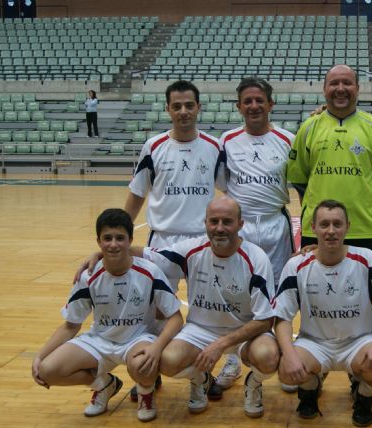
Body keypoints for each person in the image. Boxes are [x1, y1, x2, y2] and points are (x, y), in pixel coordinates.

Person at [32, 208, 183, 422]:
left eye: (120, 238)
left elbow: (176, 318)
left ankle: (146, 394)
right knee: (48, 370)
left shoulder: (150, 271)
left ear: (130, 240)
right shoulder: (88, 277)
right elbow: (71, 325)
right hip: (100, 340)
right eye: (107, 238)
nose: (113, 244)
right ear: (98, 242)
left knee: (143, 363)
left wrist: (157, 347)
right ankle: (104, 386)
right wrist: (40, 355)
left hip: (137, 339)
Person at [123, 80, 219, 400]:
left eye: (188, 105)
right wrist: (122, 234)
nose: (183, 111)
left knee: (203, 313)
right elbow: (137, 193)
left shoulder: (214, 146)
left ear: (198, 107)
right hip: (161, 240)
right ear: (167, 109)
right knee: (157, 312)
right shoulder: (152, 147)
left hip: (201, 243)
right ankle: (149, 372)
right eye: (176, 106)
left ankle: (201, 376)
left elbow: (230, 193)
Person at [139, 196, 278, 418]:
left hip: (245, 332)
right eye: (214, 222)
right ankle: (200, 379)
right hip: (200, 330)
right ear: (205, 223)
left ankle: (254, 382)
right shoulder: (191, 250)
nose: (219, 228)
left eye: (227, 221)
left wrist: (221, 345)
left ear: (241, 224)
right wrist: (104, 253)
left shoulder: (256, 259)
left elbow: (265, 320)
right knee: (167, 362)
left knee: (269, 357)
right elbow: (149, 256)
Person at [274, 200, 372, 426]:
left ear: (348, 226)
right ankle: (310, 389)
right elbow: (282, 317)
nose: (331, 231)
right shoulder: (296, 265)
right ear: (313, 228)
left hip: (358, 342)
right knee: (286, 370)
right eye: (324, 224)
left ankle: (363, 396)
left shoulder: (366, 258)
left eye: (337, 224)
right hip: (314, 343)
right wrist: (289, 353)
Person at [214, 76, 295, 393]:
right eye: (247, 101)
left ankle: (277, 352)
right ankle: (233, 358)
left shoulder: (289, 139)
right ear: (239, 107)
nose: (253, 106)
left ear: (271, 104)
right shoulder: (227, 140)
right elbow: (224, 184)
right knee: (238, 295)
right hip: (241, 229)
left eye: (259, 100)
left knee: (277, 294)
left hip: (276, 225)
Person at [287, 64, 372, 257]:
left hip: (363, 228)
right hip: (317, 229)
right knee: (315, 285)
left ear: (357, 88)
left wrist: (371, 202)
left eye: (347, 83)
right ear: (324, 89)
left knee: (364, 286)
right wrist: (314, 208)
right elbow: (298, 177)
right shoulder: (308, 127)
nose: (340, 89)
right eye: (334, 83)